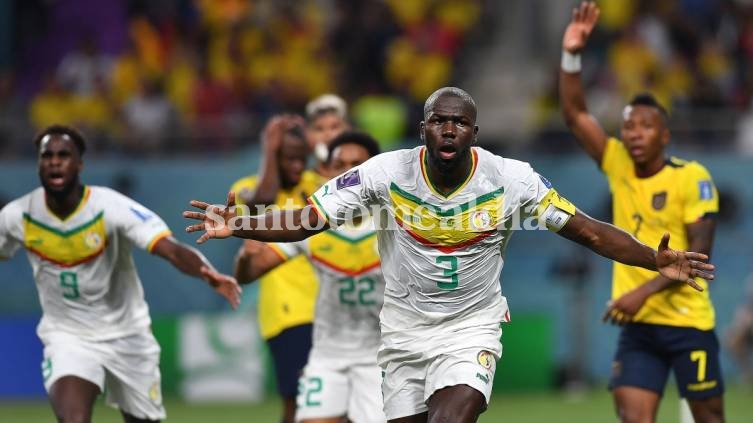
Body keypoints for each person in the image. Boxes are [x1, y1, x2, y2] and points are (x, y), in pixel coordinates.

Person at [184, 86, 715, 423]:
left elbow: (589, 231)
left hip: (471, 327)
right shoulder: (385, 174)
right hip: (402, 332)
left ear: (473, 133)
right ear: (424, 129)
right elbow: (308, 219)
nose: (449, 129)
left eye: (459, 122)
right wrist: (243, 224)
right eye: (439, 119)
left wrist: (654, 259)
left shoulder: (511, 180)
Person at [0, 125, 241, 423]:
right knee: (73, 419)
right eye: (47, 155)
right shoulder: (17, 216)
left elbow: (170, 249)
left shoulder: (110, 208)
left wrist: (207, 273)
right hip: (69, 337)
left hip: (128, 336)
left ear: (80, 164)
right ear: (39, 163)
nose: (54, 161)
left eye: (64, 155)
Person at [558, 3, 723, 422]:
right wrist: (571, 55)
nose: (633, 134)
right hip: (639, 331)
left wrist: (639, 293)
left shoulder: (692, 178)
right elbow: (576, 114)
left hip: (687, 322)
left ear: (664, 135)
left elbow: (699, 260)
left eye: (645, 127)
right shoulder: (616, 163)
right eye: (629, 126)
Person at [235, 131, 386, 423]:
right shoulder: (310, 225)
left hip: (380, 356)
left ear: (374, 170)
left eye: (356, 164)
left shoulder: (395, 226)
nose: (347, 173)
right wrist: (245, 258)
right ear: (326, 172)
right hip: (327, 355)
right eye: (338, 165)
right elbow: (249, 274)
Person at [229, 114, 321, 423]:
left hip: (329, 309)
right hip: (288, 312)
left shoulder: (314, 186)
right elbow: (264, 199)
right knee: (296, 402)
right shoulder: (246, 189)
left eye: (301, 159)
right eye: (288, 159)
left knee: (334, 404)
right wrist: (269, 149)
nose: (297, 166)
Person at [305, 94, 351, 177]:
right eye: (319, 129)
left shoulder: (362, 162)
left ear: (347, 129)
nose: (327, 134)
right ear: (309, 133)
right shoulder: (303, 167)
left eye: (334, 127)